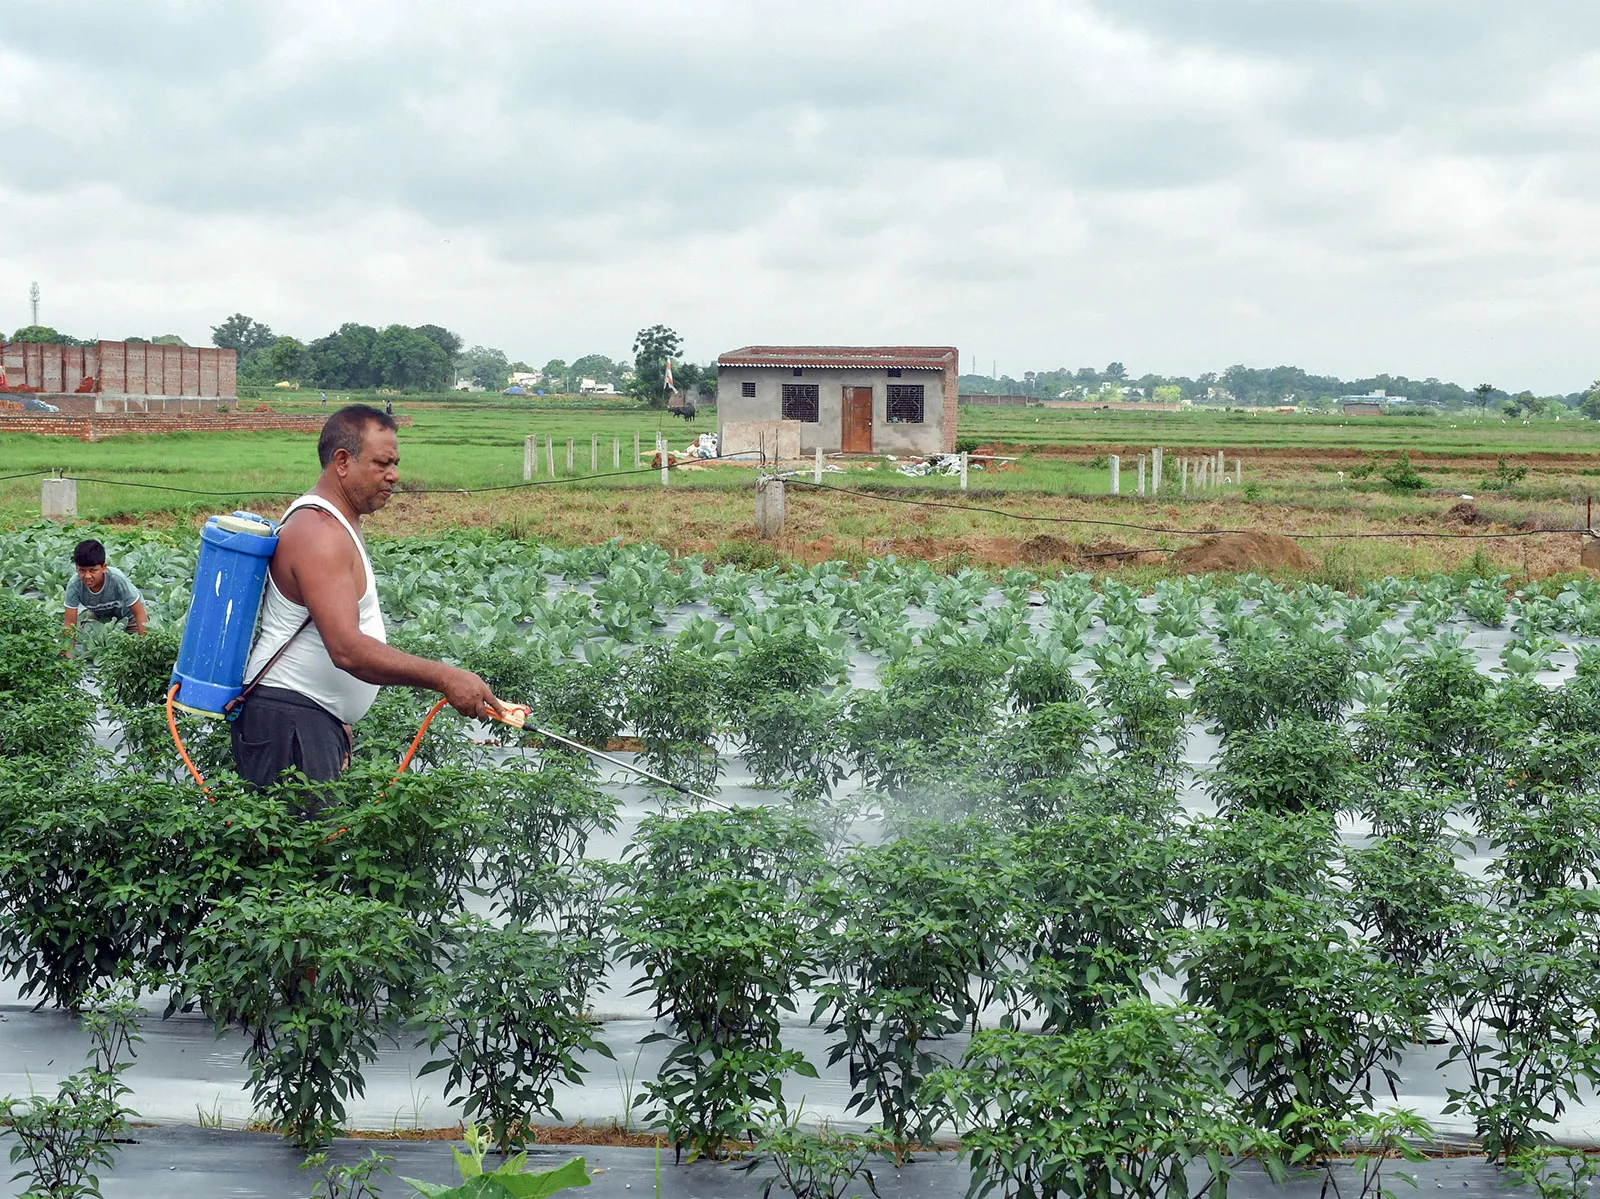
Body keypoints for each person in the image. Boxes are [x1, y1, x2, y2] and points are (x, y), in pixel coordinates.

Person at [230, 404, 503, 794]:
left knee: (310, 849)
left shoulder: (337, 521)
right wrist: (446, 677)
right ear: (342, 461)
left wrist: (336, 714)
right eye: (382, 463)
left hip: (306, 718)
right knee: (298, 853)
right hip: (288, 724)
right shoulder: (318, 532)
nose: (394, 475)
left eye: (395, 463)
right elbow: (347, 650)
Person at [64, 539, 147, 651]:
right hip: (100, 617)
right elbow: (69, 623)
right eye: (82, 570)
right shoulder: (74, 585)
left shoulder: (117, 579)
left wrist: (144, 649)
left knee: (133, 645)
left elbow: (139, 613)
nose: (87, 576)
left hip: (129, 616)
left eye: (93, 570)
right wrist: (68, 656)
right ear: (76, 568)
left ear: (103, 568)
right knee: (87, 638)